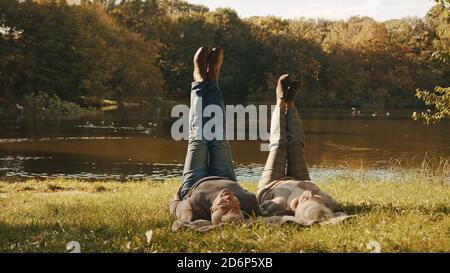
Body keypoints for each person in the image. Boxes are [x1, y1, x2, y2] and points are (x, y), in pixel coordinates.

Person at [170, 47, 260, 230]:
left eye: (223, 206)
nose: (228, 198)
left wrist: (181, 192)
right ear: (242, 209)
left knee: (199, 136)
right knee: (218, 135)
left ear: (211, 210)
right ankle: (213, 79)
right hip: (225, 175)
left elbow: (173, 205)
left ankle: (199, 79)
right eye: (233, 206)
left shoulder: (192, 208)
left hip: (195, 183)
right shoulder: (249, 203)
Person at [257, 74, 344, 224]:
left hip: (271, 183)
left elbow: (261, 212)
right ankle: (290, 103)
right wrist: (314, 203)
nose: (311, 195)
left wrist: (291, 206)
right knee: (296, 143)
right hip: (302, 178)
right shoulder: (330, 204)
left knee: (280, 143)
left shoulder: (278, 206)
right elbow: (338, 215)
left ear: (296, 211)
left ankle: (280, 101)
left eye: (307, 199)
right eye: (315, 200)